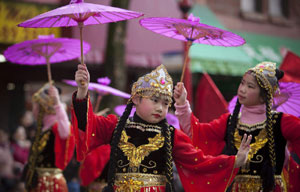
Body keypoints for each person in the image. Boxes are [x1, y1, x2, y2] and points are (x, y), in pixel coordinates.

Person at [71, 64, 252, 192]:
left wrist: (233, 161)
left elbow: (199, 161)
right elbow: (87, 124)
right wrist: (82, 92)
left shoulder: (172, 136)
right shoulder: (115, 126)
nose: (160, 108)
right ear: (136, 99)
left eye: (166, 104)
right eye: (154, 100)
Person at [174, 61, 300, 192]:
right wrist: (182, 104)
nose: (242, 89)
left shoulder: (282, 122)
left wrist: (285, 158)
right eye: (242, 83)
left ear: (264, 96)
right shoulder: (229, 121)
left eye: (250, 86)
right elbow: (198, 134)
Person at [23, 83, 75, 192]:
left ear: (44, 108)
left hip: (51, 183)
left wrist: (57, 103)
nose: (34, 111)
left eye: (36, 106)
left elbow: (66, 132)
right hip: (37, 181)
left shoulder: (56, 126)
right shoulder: (41, 129)